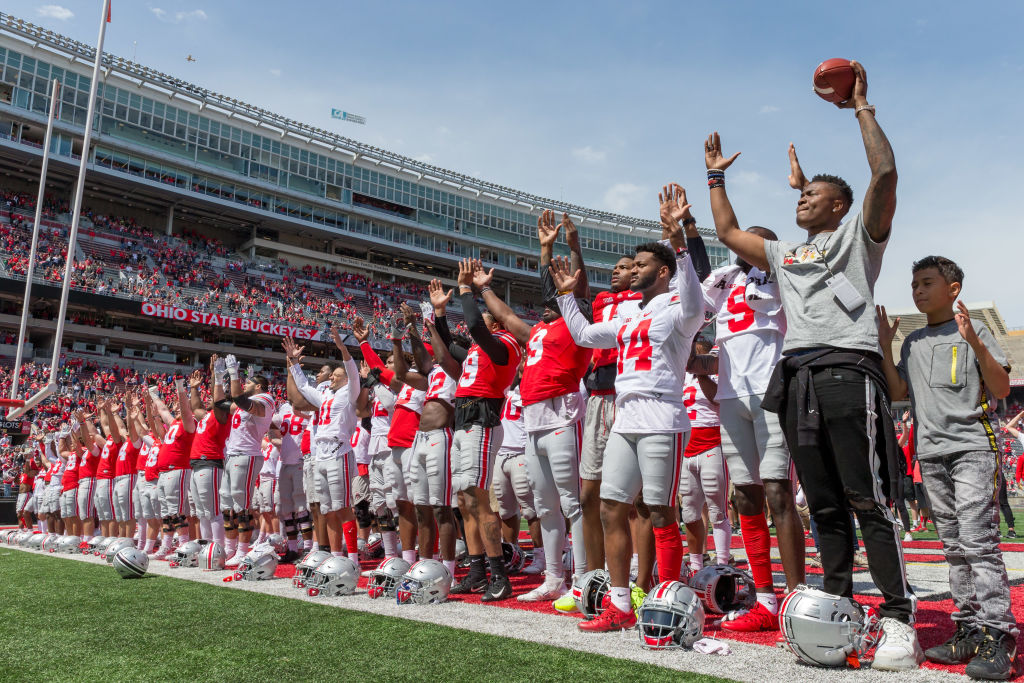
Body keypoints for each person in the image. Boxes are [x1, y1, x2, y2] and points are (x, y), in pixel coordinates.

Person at [705, 61, 921, 670]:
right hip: (796, 376)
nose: (802, 198)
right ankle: (838, 607)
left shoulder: (859, 237)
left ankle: (901, 618)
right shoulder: (782, 251)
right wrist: (715, 176)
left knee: (866, 497)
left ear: (840, 206)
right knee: (823, 502)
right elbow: (725, 230)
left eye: (813, 195)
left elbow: (885, 171)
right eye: (799, 193)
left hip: (849, 369)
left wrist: (860, 107)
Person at [550, 193, 705, 632]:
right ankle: (620, 604)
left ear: (662, 272)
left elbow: (694, 302)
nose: (632, 270)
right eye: (631, 265)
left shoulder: (678, 309)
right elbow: (582, 336)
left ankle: (671, 603)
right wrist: (565, 296)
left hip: (662, 416)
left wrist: (678, 245)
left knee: (659, 511)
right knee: (610, 508)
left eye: (639, 265)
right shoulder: (628, 316)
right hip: (626, 417)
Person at [879, 256, 1016, 679]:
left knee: (978, 542)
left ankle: (1001, 636)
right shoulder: (913, 342)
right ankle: (969, 628)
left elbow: (1002, 388)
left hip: (974, 448)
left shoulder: (975, 332)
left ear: (953, 289)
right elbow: (899, 391)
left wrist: (974, 341)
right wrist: (885, 346)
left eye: (926, 283)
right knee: (954, 549)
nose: (917, 291)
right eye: (914, 284)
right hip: (932, 453)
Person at [693, 221, 805, 632]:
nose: (746, 243)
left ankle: (795, 598)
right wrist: (692, 361)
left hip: (772, 394)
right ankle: (766, 599)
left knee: (778, 492)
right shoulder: (725, 283)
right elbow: (721, 354)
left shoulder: (782, 276)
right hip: (730, 398)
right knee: (746, 497)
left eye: (758, 238)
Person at [477, 210, 593, 603]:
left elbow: (575, 289)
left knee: (572, 503)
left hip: (563, 415)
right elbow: (506, 316)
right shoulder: (539, 329)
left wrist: (570, 248)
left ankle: (583, 580)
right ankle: (554, 577)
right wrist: (482, 290)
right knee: (545, 506)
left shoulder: (577, 326)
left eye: (553, 299)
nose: (543, 304)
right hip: (534, 422)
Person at [430, 258, 523, 602]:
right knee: (464, 502)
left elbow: (473, 323)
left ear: (497, 320)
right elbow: (448, 341)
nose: (472, 327)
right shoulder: (475, 350)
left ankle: (499, 574)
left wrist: (467, 288)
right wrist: (440, 313)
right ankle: (477, 571)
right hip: (465, 420)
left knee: (479, 499)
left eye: (485, 318)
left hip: (482, 420)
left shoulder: (505, 345)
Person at [283, 329, 360, 563]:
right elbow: (304, 388)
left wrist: (343, 349)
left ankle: (353, 558)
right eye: (333, 375)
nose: (333, 378)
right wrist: (293, 362)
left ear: (346, 378)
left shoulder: (350, 392)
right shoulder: (326, 395)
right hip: (321, 455)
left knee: (343, 507)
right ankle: (335, 556)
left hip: (339, 451)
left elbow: (353, 373)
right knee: (326, 509)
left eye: (337, 375)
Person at [679, 338, 733, 574]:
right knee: (690, 511)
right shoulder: (680, 376)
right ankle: (696, 565)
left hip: (712, 444)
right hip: (686, 446)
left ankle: (722, 565)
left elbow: (717, 398)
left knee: (717, 509)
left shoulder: (719, 373)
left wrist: (702, 374)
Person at [223, 356, 276, 566]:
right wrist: (218, 378)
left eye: (249, 383)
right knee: (228, 504)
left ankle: (243, 550)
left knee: (242, 504)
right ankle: (229, 549)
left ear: (259, 386)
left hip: (247, 455)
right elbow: (219, 404)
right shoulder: (242, 403)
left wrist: (234, 374)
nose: (246, 384)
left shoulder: (266, 398)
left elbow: (241, 399)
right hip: (233, 454)